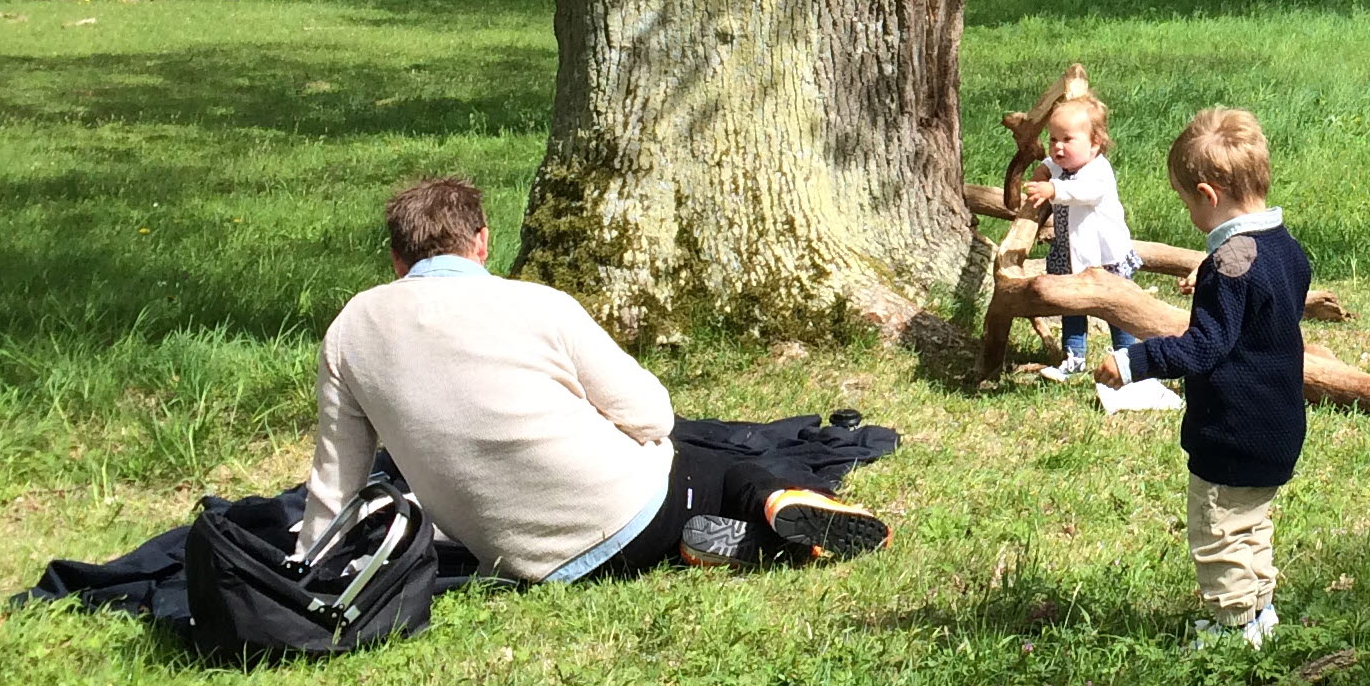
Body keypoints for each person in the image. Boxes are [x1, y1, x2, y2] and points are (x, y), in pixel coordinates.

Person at [301, 176, 889, 583]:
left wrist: (309, 564)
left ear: (397, 260)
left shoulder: (350, 328)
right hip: (624, 517)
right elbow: (651, 415)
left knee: (686, 492)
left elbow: (337, 479)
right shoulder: (538, 305)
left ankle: (705, 543)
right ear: (482, 242)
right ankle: (771, 506)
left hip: (507, 556)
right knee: (725, 468)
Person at [1095, 108, 1311, 649]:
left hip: (1234, 428)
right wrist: (1215, 271)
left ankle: (1232, 628)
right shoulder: (1285, 248)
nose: (1190, 212)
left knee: (1219, 529)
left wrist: (1131, 363)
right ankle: (1259, 611)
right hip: (1279, 421)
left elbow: (1204, 347)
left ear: (1208, 195)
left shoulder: (1231, 266)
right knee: (1251, 522)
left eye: (1188, 203)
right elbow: (1258, 296)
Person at [1017, 94, 1139, 384]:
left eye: (1067, 140)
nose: (1058, 147)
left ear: (1095, 143)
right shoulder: (1063, 164)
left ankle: (1127, 356)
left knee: (1115, 307)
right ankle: (1074, 357)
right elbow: (1051, 163)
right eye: (1053, 139)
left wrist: (1052, 190)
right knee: (1070, 304)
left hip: (1103, 255)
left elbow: (1085, 192)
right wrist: (1044, 170)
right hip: (1069, 252)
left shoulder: (1098, 171)